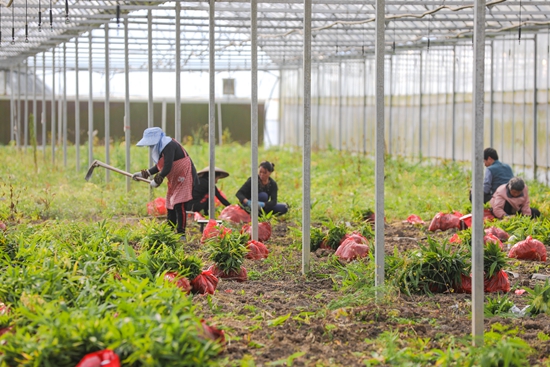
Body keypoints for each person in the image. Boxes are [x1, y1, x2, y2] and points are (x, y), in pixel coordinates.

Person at [132, 127, 199, 241]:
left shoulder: (169, 145)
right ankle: (169, 230)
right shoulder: (161, 148)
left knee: (179, 204)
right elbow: (159, 166)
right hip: (174, 179)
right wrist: (144, 174)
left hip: (184, 176)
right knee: (170, 204)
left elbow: (167, 166)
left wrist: (158, 179)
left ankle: (181, 234)